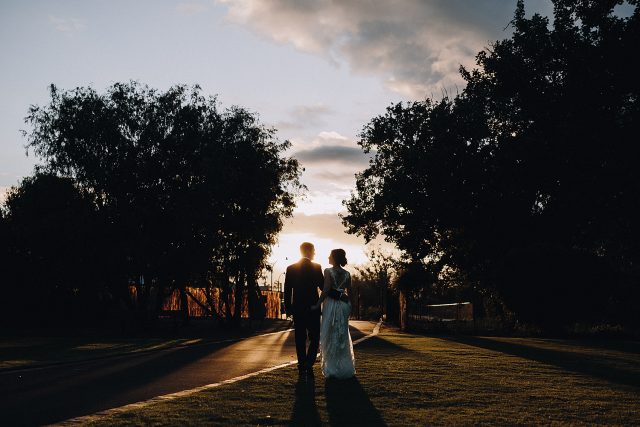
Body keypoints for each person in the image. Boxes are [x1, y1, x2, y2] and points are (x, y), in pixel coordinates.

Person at [311, 248, 356, 379]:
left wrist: (317, 304)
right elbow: (350, 292)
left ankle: (332, 368)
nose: (328, 257)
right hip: (344, 305)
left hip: (331, 304)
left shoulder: (328, 271)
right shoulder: (347, 274)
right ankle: (344, 367)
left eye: (330, 255)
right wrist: (351, 306)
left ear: (334, 258)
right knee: (342, 334)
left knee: (329, 333)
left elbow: (325, 290)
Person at [284, 242, 324, 377]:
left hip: (298, 308)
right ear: (308, 251)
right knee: (315, 336)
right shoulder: (317, 267)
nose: (314, 253)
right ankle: (309, 362)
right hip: (313, 307)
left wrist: (288, 309)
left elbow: (287, 290)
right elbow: (323, 287)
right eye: (313, 250)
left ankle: (302, 364)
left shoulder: (291, 268)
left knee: (300, 337)